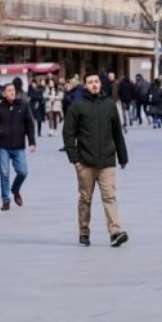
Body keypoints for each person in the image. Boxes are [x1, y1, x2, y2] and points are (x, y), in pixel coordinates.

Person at [62, 72, 129, 248]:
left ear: (100, 84)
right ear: (85, 85)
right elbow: (68, 133)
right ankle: (84, 231)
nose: (94, 85)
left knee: (110, 196)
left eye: (96, 82)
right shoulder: (77, 106)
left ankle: (115, 232)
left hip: (107, 160)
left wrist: (122, 156)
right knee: (86, 198)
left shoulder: (109, 105)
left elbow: (117, 132)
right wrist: (74, 158)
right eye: (90, 82)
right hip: (85, 162)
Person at [0, 83, 36, 211]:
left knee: (23, 172)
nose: (12, 92)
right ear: (4, 93)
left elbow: (30, 124)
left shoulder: (23, 106)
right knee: (4, 173)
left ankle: (15, 189)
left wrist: (32, 142)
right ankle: (6, 200)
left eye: (13, 90)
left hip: (19, 146)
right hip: (3, 147)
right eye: (9, 91)